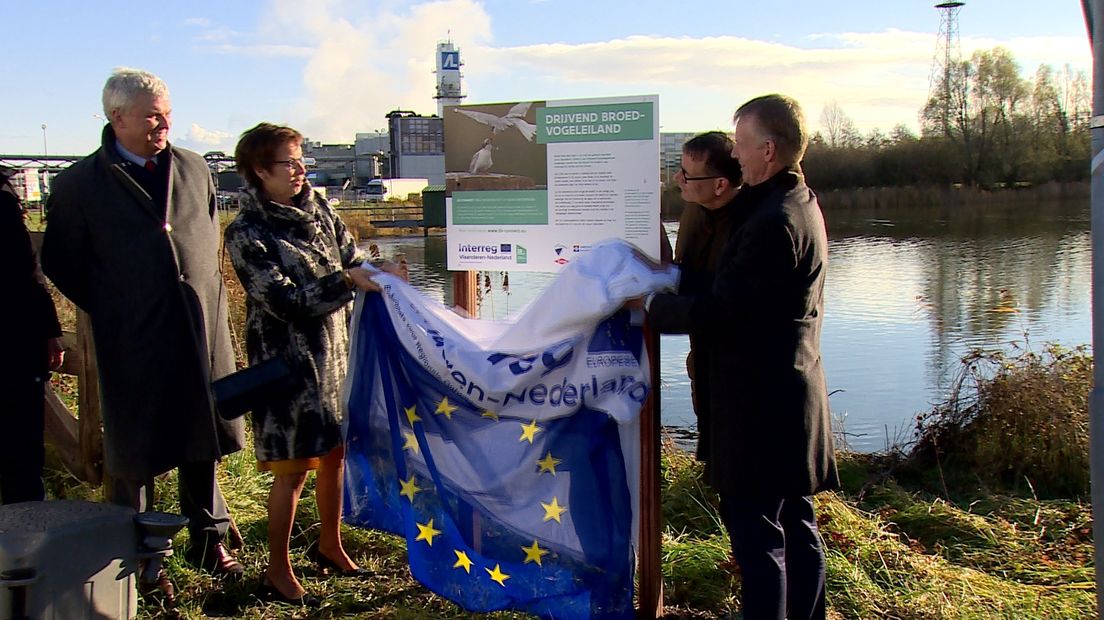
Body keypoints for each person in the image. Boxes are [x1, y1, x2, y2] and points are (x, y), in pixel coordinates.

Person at [40, 68, 245, 602]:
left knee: (205, 434)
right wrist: (119, 304)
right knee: (138, 445)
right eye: (153, 115)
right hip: (133, 334)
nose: (164, 123)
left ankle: (207, 535)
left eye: (168, 112)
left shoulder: (194, 167)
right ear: (118, 118)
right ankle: (137, 555)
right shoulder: (80, 185)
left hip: (199, 327)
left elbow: (200, 230)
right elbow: (62, 260)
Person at [643, 95, 838, 620]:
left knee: (760, 541)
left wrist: (649, 306)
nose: (737, 154)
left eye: (742, 145)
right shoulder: (795, 202)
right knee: (795, 524)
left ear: (768, 150)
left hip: (760, 406)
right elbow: (738, 290)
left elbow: (722, 311)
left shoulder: (773, 221)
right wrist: (674, 278)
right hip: (785, 396)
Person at [225, 122, 406, 606]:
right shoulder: (246, 232)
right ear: (260, 170)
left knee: (335, 457)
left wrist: (376, 269)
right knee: (291, 473)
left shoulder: (320, 209)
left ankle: (330, 545)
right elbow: (283, 301)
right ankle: (277, 568)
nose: (300, 170)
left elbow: (351, 256)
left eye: (302, 159)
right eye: (289, 162)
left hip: (337, 359)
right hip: (289, 371)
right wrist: (347, 280)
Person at [670, 132, 741, 454]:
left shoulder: (751, 225)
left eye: (687, 174)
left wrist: (654, 304)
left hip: (739, 365)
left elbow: (723, 300)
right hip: (703, 355)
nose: (677, 178)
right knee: (711, 439)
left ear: (720, 185)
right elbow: (681, 270)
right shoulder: (696, 210)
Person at [1, 169, 64, 504]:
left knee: (21, 450)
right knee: (20, 450)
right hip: (15, 334)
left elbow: (26, 265)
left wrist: (49, 329)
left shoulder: (2, 189)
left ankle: (24, 533)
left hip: (14, 335)